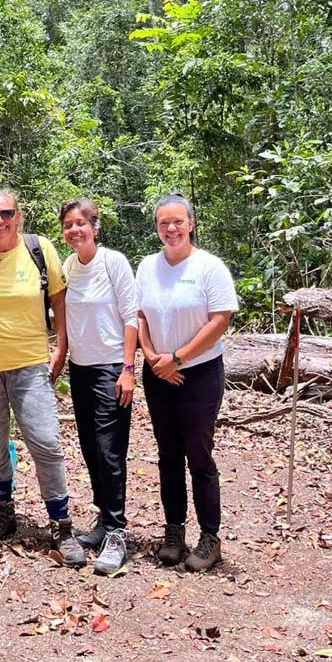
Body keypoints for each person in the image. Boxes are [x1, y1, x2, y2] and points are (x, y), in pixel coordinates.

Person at [0, 188, 86, 567]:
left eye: (6, 213)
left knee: (45, 442)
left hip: (29, 362)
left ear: (18, 215)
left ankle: (62, 525)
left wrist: (61, 347)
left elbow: (59, 299)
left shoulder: (40, 250)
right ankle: (3, 512)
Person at [136, 193, 238, 572]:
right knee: (167, 455)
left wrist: (177, 358)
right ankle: (174, 530)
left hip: (198, 373)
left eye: (178, 221)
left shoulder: (209, 267)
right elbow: (140, 315)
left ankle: (210, 537)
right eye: (164, 223)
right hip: (157, 371)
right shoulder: (147, 266)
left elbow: (220, 320)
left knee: (199, 454)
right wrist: (152, 357)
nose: (171, 229)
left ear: (191, 224)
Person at [58, 199, 139, 575]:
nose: (75, 230)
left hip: (110, 368)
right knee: (91, 448)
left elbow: (131, 316)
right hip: (81, 368)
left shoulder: (113, 262)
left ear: (95, 226)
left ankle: (118, 531)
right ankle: (104, 522)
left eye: (82, 223)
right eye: (69, 225)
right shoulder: (68, 267)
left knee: (110, 451)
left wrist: (127, 368)